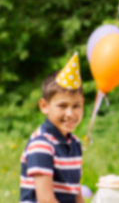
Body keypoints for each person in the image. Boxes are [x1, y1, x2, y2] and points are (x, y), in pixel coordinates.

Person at [20, 53, 85, 203]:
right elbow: (45, 199)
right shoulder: (41, 145)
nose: (70, 113)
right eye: (62, 106)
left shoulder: (74, 143)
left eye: (76, 106)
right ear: (44, 106)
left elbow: (76, 194)